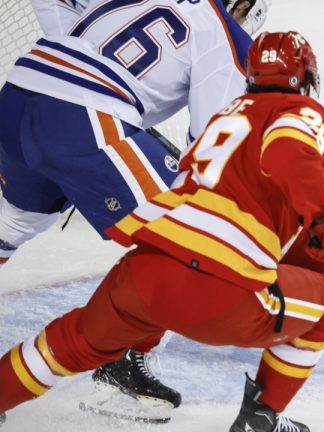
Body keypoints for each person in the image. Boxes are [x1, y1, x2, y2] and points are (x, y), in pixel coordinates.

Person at [0, 31, 324, 431]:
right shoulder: (300, 113)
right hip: (219, 293)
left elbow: (280, 246)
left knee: (72, 343)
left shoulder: (226, 117)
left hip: (142, 276)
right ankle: (264, 419)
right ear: (306, 78)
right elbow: (292, 163)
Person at [0, 0, 266, 419]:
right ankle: (121, 362)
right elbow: (210, 148)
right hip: (83, 114)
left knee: (10, 226)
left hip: (19, 93)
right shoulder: (223, 31)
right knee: (187, 239)